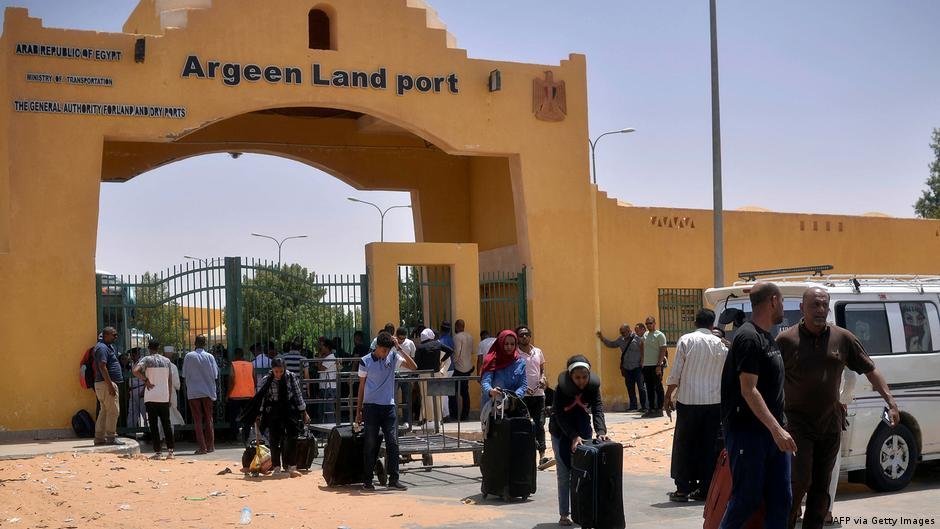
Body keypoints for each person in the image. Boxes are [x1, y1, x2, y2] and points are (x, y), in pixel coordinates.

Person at [777, 287, 899, 529]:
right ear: (802, 308)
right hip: (797, 424)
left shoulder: (843, 338)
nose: (820, 310)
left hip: (829, 424)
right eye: (814, 305)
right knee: (799, 482)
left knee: (821, 488)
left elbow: (870, 369)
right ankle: (786, 523)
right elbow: (770, 381)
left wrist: (891, 402)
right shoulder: (786, 340)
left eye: (824, 305)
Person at [719, 282, 795, 529]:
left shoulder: (767, 337)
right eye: (782, 301)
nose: (783, 307)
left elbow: (771, 388)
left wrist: (781, 425)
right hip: (748, 435)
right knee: (746, 500)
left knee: (782, 499)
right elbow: (748, 390)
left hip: (773, 436)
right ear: (773, 300)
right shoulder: (748, 337)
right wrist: (776, 429)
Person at [664, 308, 727, 502]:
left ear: (695, 322)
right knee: (708, 446)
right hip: (714, 403)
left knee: (685, 444)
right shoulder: (722, 345)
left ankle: (683, 488)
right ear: (712, 324)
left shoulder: (686, 340)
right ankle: (705, 488)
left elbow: (676, 373)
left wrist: (667, 396)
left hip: (689, 401)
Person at [548, 355, 609, 527]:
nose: (581, 381)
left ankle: (583, 512)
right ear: (570, 377)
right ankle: (564, 514)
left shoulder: (592, 388)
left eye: (584, 377)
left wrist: (601, 431)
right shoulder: (560, 389)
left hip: (583, 430)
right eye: (577, 378)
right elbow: (559, 415)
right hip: (561, 432)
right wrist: (573, 436)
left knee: (584, 474)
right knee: (564, 475)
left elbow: (597, 408)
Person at [357, 331, 418, 491]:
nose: (385, 354)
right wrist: (358, 411)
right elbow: (361, 387)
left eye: (387, 351)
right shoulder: (365, 361)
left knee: (393, 442)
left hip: (389, 407)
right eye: (383, 350)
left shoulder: (393, 356)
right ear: (377, 347)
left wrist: (398, 348)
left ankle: (394, 479)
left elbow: (413, 366)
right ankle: (368, 480)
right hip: (371, 407)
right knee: (370, 444)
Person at [251, 357, 309, 477]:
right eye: (276, 371)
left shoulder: (291, 377)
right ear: (272, 370)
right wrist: (259, 413)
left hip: (289, 409)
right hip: (274, 410)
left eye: (281, 371)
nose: (278, 374)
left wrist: (304, 411)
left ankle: (291, 466)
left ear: (284, 369)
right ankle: (276, 466)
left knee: (292, 437)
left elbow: (298, 395)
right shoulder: (267, 380)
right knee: (274, 439)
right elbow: (261, 398)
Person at [132, 339, 175, 459]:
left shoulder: (146, 360)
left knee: (154, 425)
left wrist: (146, 380)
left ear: (149, 348)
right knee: (166, 423)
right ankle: (171, 451)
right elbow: (170, 381)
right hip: (164, 396)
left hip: (151, 396)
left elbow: (135, 371)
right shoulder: (167, 361)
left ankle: (158, 452)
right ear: (158, 348)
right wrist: (169, 396)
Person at [825, 368, 857, 525]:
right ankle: (827, 510)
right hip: (832, 410)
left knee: (801, 460)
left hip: (800, 410)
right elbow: (851, 377)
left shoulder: (798, 343)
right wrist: (842, 399)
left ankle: (797, 507)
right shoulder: (840, 343)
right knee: (832, 463)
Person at [182, 335, 220, 455]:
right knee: (209, 418)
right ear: (205, 344)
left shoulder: (188, 356)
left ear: (195, 343)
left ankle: (202, 447)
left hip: (193, 391)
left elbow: (184, 374)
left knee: (197, 420)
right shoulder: (210, 357)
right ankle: (211, 446)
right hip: (208, 391)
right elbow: (215, 374)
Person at [597, 323, 647, 412]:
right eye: (621, 332)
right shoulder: (621, 339)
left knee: (641, 387)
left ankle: (644, 407)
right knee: (630, 387)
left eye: (623, 332)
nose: (622, 334)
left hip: (637, 367)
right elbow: (612, 344)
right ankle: (633, 406)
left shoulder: (637, 339)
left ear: (628, 330)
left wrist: (642, 361)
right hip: (627, 367)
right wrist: (602, 339)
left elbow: (644, 350)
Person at [517, 325, 548, 464]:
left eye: (526, 334)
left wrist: (543, 378)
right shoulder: (515, 354)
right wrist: (523, 387)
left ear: (530, 336)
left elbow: (542, 369)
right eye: (521, 335)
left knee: (540, 423)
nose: (524, 337)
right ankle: (528, 456)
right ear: (517, 337)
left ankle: (542, 455)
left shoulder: (538, 351)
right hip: (523, 395)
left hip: (538, 394)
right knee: (526, 424)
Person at [414, 328, 454, 426]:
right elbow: (450, 351)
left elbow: (416, 363)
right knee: (438, 398)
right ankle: (438, 420)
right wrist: (441, 361)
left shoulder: (420, 347)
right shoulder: (438, 344)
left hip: (424, 374)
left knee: (426, 398)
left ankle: (429, 420)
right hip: (436, 373)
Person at [480, 330, 528, 409]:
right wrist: (491, 391)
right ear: (500, 343)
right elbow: (485, 381)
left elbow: (523, 385)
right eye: (506, 344)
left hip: (514, 406)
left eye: (512, 344)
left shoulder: (520, 362)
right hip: (493, 406)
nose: (509, 347)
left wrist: (513, 397)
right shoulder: (492, 360)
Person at [93, 327, 124, 446]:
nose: (116, 337)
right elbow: (102, 366)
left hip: (103, 384)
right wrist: (110, 385)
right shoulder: (102, 348)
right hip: (106, 384)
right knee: (113, 411)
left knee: (104, 411)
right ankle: (111, 436)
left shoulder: (105, 346)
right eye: (114, 335)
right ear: (106, 335)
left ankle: (99, 437)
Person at [642, 316, 668, 418]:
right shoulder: (645, 335)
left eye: (650, 323)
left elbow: (663, 350)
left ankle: (659, 409)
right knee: (649, 388)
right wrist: (642, 361)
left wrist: (659, 364)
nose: (649, 325)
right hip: (647, 365)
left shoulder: (660, 335)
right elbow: (643, 346)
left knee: (658, 387)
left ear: (654, 323)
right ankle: (651, 408)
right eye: (647, 323)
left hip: (656, 365)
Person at [227, 347, 255, 442]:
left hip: (235, 395)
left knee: (233, 417)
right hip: (248, 395)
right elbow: (255, 378)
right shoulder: (250, 364)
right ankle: (246, 436)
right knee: (247, 417)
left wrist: (228, 393)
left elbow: (231, 379)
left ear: (235, 355)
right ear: (243, 355)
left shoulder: (233, 364)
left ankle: (234, 436)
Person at [449, 319, 475, 421]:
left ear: (456, 326)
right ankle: (465, 414)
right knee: (465, 392)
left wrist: (453, 362)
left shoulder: (456, 337)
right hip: (468, 367)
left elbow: (457, 352)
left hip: (458, 368)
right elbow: (472, 351)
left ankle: (455, 414)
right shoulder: (470, 336)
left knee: (454, 392)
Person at [395, 327, 418, 424]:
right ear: (396, 336)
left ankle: (407, 421)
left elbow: (413, 360)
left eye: (403, 338)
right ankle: (394, 420)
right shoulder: (392, 344)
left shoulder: (410, 343)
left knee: (407, 399)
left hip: (407, 375)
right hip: (395, 375)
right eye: (400, 338)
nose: (401, 340)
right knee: (392, 398)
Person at [316, 339, 338, 423]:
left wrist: (319, 356)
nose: (320, 347)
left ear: (327, 347)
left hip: (329, 388)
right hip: (324, 387)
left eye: (322, 346)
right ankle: (323, 431)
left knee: (329, 411)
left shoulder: (331, 358)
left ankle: (331, 430)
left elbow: (321, 368)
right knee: (321, 411)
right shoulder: (326, 357)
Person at [126, 347, 146, 430]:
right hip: (132, 390)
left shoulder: (142, 364)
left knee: (144, 412)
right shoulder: (131, 364)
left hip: (141, 389)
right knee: (132, 412)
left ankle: (147, 431)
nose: (131, 357)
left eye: (133, 355)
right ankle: (131, 431)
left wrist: (144, 390)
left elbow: (147, 377)